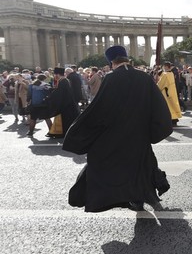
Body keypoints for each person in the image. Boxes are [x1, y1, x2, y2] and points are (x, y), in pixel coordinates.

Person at [62, 45, 172, 212]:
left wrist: (81, 129)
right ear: (126, 58)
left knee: (114, 165)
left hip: (117, 134)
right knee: (142, 165)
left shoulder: (111, 79)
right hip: (139, 133)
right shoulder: (143, 77)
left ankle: (134, 199)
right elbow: (157, 105)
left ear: (112, 62)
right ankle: (148, 198)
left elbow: (99, 109)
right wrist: (153, 129)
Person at [46, 67, 80, 138]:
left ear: (58, 74)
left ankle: (64, 133)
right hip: (67, 103)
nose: (54, 76)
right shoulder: (64, 80)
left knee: (66, 120)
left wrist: (49, 93)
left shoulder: (63, 81)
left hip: (66, 105)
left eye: (55, 74)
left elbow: (59, 93)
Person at [157, 61, 182, 126]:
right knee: (173, 105)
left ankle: (171, 120)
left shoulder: (165, 75)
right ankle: (175, 119)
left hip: (166, 92)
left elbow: (161, 84)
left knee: (167, 107)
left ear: (165, 67)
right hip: (172, 91)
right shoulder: (171, 74)